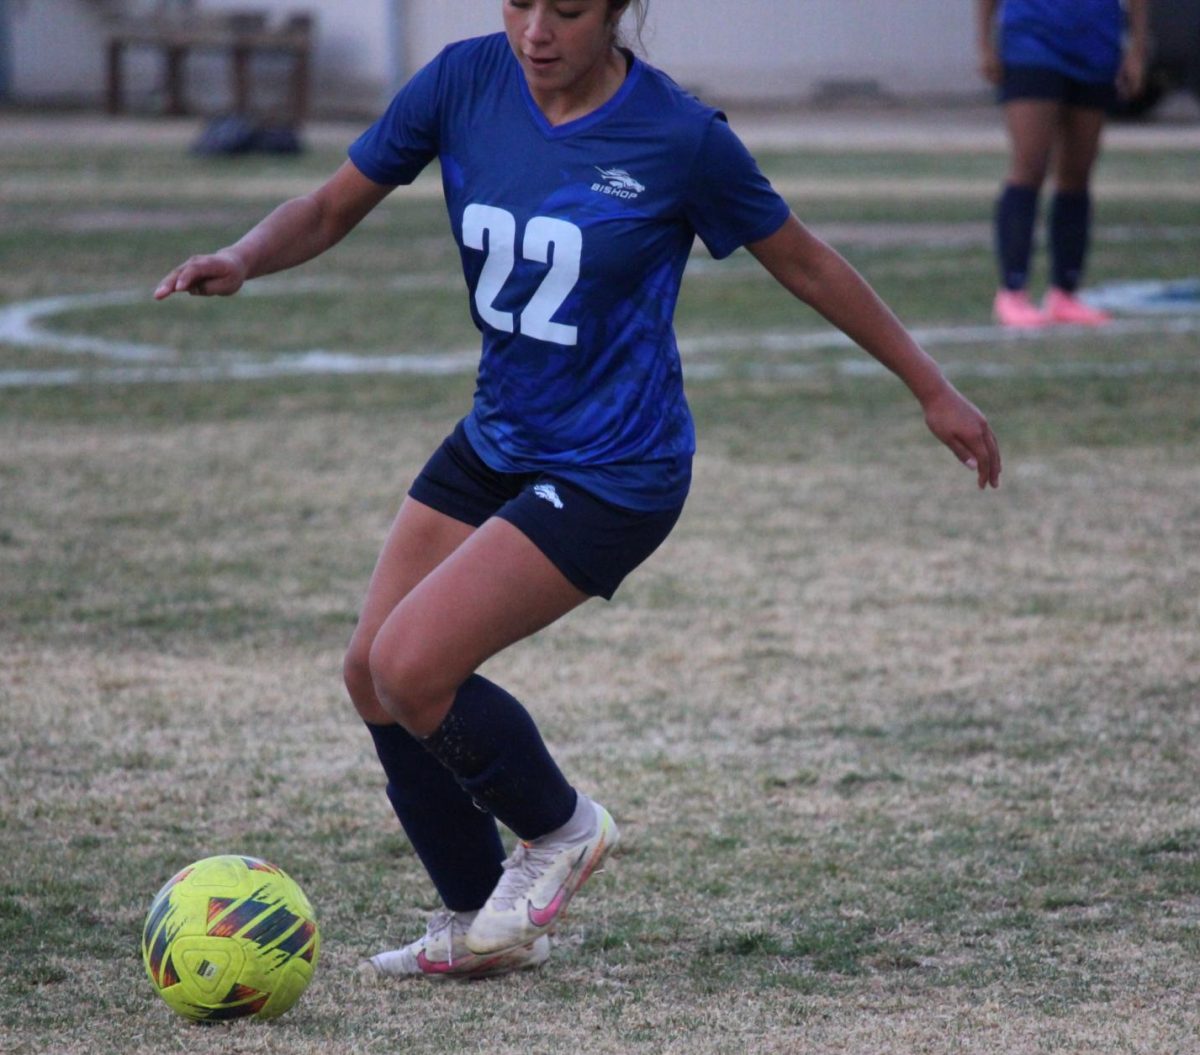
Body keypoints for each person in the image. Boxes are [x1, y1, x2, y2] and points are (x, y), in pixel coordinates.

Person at [155, 0, 1002, 981]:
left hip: (616, 467)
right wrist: (244, 256)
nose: (536, 30)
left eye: (569, 8)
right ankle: (479, 923)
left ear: (619, 11)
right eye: (518, 2)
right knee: (370, 675)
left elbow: (806, 262)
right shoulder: (463, 82)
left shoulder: (679, 138)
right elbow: (331, 204)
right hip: (499, 434)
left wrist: (932, 386)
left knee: (415, 663)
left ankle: (561, 830)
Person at [977, 0, 1148, 328]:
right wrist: (985, 42)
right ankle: (1013, 291)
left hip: (1096, 41)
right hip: (1032, 40)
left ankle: (1064, 292)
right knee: (1030, 165)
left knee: (1077, 173)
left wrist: (1137, 47)